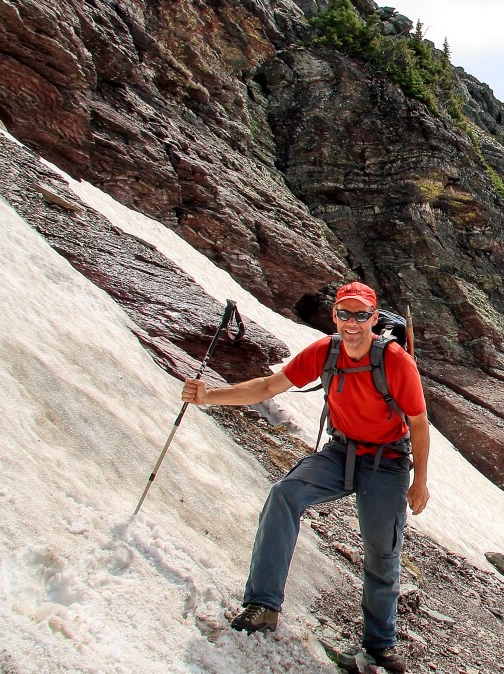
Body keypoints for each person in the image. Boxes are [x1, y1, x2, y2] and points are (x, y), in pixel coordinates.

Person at [182, 281, 429, 672]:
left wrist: (420, 481)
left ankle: (379, 646)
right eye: (345, 314)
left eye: (361, 315)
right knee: (285, 494)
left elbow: (417, 422)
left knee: (382, 552)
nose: (352, 322)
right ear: (335, 316)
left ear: (374, 318)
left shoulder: (396, 360)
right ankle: (263, 605)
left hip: (388, 461)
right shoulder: (324, 351)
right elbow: (267, 387)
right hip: (341, 450)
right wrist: (208, 395)